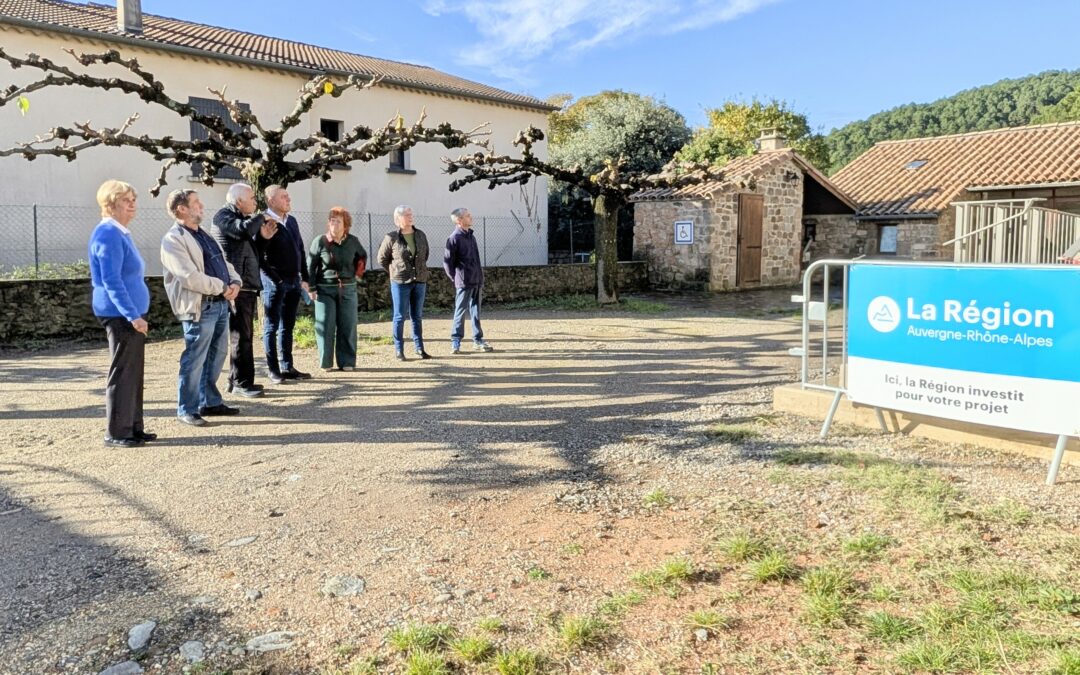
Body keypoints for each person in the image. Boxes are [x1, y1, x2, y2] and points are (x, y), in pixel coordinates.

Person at [160, 188, 242, 426]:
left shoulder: (204, 234)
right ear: (181, 209)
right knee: (195, 358)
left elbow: (223, 262)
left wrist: (235, 281)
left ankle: (210, 402)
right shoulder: (173, 239)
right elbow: (189, 277)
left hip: (220, 304)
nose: (202, 205)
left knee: (217, 356)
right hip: (199, 306)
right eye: (196, 202)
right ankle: (187, 408)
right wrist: (222, 286)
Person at [89, 180, 154, 448]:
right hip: (120, 314)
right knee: (123, 372)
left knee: (134, 373)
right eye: (126, 200)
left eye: (133, 199)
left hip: (130, 313)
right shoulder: (108, 234)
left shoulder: (121, 233)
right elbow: (111, 280)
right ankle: (117, 431)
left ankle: (133, 427)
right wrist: (132, 315)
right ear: (111, 203)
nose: (132, 205)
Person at [211, 183, 278, 397]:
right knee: (240, 336)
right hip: (235, 287)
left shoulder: (239, 219)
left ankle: (238, 380)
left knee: (246, 335)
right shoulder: (223, 217)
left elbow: (251, 251)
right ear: (239, 201)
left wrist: (265, 239)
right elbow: (242, 231)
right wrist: (261, 216)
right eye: (252, 199)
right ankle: (241, 382)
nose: (255, 203)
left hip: (246, 286)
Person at [257, 184, 311, 384]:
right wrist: (275, 280)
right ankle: (273, 370)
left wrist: (304, 277)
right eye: (283, 197)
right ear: (271, 201)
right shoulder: (264, 221)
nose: (288, 200)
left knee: (287, 326)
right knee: (271, 326)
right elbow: (259, 255)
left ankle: (287, 366)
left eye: (288, 197)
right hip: (274, 282)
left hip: (293, 281)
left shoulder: (292, 221)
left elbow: (300, 250)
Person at [307, 207, 367, 371]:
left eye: (338, 221)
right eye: (332, 220)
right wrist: (311, 287)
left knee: (348, 325)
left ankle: (347, 362)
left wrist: (357, 274)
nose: (334, 224)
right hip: (324, 289)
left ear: (345, 225)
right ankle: (326, 362)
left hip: (348, 289)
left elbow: (362, 256)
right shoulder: (320, 241)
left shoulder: (353, 241)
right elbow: (310, 266)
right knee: (326, 325)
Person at [377, 205, 431, 361]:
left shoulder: (420, 235)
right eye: (406, 214)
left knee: (417, 316)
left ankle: (419, 348)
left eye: (411, 214)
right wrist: (394, 271)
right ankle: (399, 350)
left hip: (420, 280)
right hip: (400, 281)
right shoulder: (391, 237)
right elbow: (382, 259)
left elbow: (425, 254)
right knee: (400, 316)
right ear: (397, 219)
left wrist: (418, 271)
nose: (410, 217)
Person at [443, 207, 493, 354]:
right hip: (464, 282)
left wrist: (479, 276)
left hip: (476, 280)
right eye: (467, 216)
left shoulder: (471, 236)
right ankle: (456, 342)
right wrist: (456, 278)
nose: (471, 217)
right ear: (459, 220)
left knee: (476, 311)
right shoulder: (453, 238)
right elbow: (447, 263)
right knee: (460, 311)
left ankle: (478, 340)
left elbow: (476, 259)